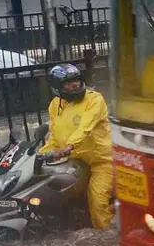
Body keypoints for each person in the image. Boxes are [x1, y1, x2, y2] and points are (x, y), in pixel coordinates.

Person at [40, 64, 114, 230]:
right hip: (74, 163)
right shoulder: (55, 105)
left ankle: (106, 236)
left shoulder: (94, 100)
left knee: (97, 203)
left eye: (76, 80)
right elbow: (55, 136)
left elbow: (85, 127)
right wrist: (41, 154)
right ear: (57, 88)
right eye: (68, 83)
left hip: (101, 162)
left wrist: (69, 145)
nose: (75, 84)